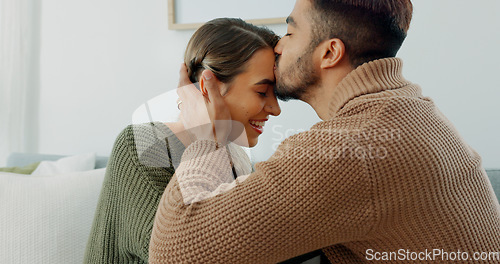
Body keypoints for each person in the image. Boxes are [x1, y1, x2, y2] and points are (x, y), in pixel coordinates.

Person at [149, 0, 500, 263]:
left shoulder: (349, 147)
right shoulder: (414, 109)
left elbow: (175, 252)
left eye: (290, 32)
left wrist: (208, 134)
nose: (279, 47)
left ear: (330, 52)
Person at [83, 18, 281, 264]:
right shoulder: (141, 146)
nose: (275, 109)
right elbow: (186, 255)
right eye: (262, 92)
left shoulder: (236, 155)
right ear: (209, 88)